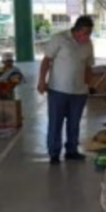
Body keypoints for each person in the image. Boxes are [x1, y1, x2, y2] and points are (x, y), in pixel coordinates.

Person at [38, 16, 95, 165]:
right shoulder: (59, 39)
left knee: (74, 123)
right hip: (58, 89)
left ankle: (72, 151)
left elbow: (89, 66)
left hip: (79, 91)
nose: (87, 37)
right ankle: (54, 153)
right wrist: (41, 81)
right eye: (85, 33)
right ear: (76, 30)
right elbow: (46, 60)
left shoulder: (88, 44)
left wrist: (89, 85)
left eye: (89, 34)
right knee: (56, 122)